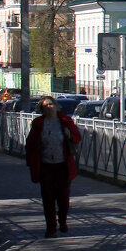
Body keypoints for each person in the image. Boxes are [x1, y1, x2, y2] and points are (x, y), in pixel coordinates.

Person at [25, 96, 82, 237]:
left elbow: (77, 137)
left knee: (63, 198)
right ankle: (51, 227)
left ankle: (62, 220)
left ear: (56, 106)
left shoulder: (65, 121)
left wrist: (69, 136)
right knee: (48, 198)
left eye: (51, 104)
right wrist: (31, 162)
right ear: (42, 109)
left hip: (63, 165)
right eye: (45, 106)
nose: (49, 107)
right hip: (46, 166)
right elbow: (31, 144)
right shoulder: (38, 123)